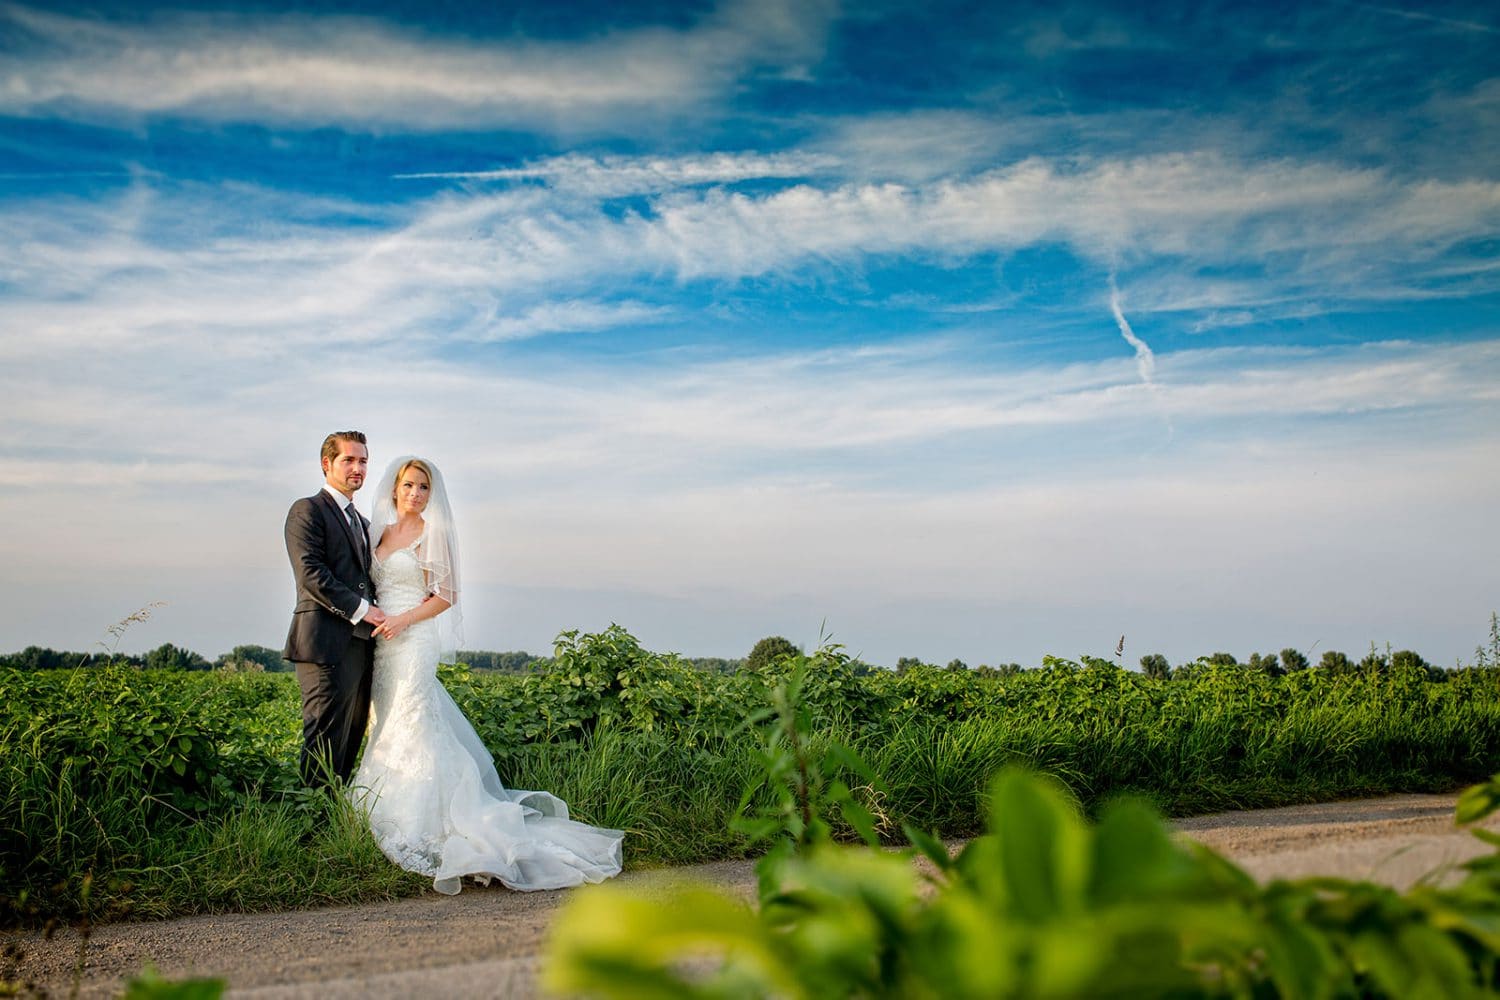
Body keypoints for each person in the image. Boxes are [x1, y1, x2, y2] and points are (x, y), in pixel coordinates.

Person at [351, 456, 623, 894]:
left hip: (415, 641)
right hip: (383, 647)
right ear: (395, 489)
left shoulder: (432, 532)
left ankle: (423, 823)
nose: (416, 494)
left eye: (423, 487)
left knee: (414, 723)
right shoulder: (378, 534)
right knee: (383, 726)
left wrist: (404, 621)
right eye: (409, 486)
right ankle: (384, 811)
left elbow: (447, 596)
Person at [283, 431, 387, 789]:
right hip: (323, 642)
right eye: (349, 460)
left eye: (363, 461)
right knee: (323, 735)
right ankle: (311, 825)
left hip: (362, 644)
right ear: (327, 464)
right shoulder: (307, 510)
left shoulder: (364, 524)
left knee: (352, 735)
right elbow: (311, 573)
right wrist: (364, 609)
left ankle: (334, 819)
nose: (358, 468)